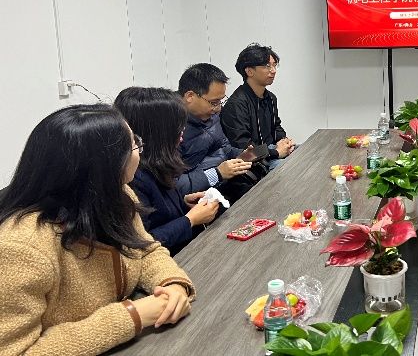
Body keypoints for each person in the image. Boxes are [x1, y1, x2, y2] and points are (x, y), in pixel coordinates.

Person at [0, 104, 195, 355]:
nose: (140, 149)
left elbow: (144, 250)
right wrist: (132, 316)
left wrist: (172, 284)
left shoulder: (118, 196)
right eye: (134, 144)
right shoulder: (22, 248)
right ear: (104, 165)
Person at [115, 87, 220, 255]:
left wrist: (184, 203)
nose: (182, 134)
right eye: (176, 128)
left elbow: (159, 212)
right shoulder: (133, 177)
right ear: (158, 133)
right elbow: (141, 243)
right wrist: (190, 220)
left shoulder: (158, 163)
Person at [177, 63, 254, 203]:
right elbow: (175, 185)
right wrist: (218, 173)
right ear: (190, 96)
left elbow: (224, 148)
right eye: (214, 102)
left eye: (220, 101)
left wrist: (242, 155)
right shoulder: (171, 128)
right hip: (198, 199)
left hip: (224, 185)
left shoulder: (211, 115)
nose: (218, 108)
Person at [221, 44, 295, 171]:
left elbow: (276, 127)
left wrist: (285, 141)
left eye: (274, 65)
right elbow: (244, 150)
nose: (273, 70)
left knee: (307, 151)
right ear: (249, 71)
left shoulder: (270, 97)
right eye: (267, 66)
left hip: (272, 150)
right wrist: (276, 152)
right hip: (255, 162)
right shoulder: (236, 104)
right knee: (293, 168)